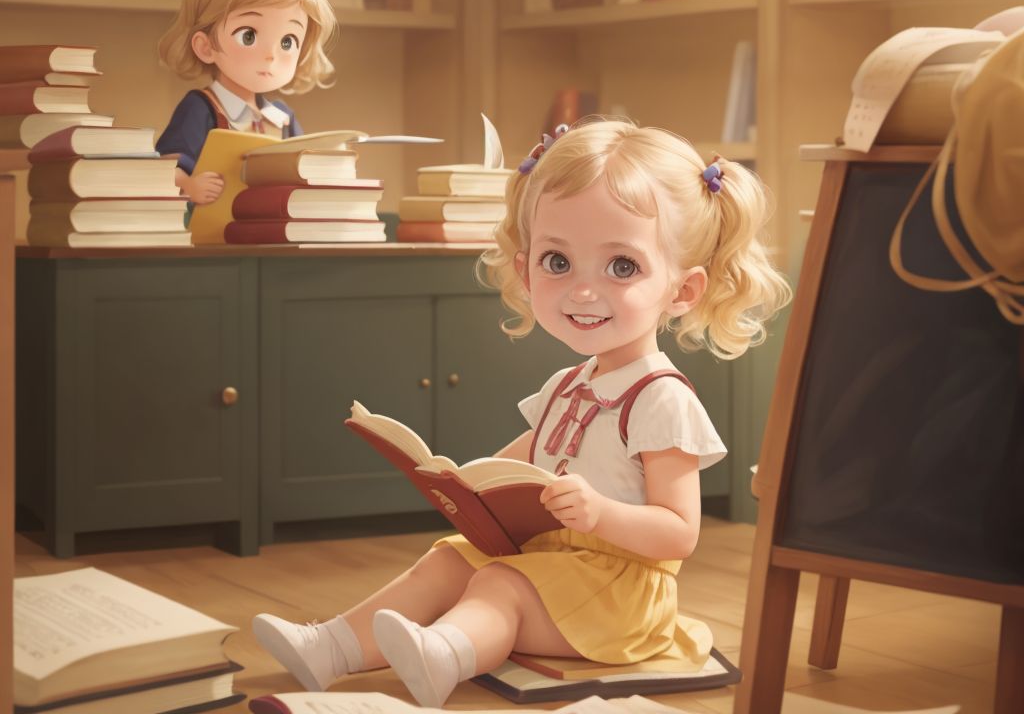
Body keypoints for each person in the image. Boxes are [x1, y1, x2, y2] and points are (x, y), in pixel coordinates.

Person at [252, 118, 791, 706]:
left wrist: (599, 513)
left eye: (621, 267)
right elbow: (529, 458)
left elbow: (679, 534)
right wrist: (464, 482)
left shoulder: (662, 397)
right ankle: (329, 647)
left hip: (619, 598)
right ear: (525, 264)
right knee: (450, 561)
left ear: (682, 291)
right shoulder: (569, 383)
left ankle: (446, 655)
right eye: (558, 263)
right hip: (555, 564)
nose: (583, 291)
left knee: (502, 582)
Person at [156, 0, 336, 205]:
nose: (271, 55)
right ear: (205, 47)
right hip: (219, 234)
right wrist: (189, 186)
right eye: (248, 36)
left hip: (276, 228)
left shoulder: (282, 118)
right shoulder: (200, 109)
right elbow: (167, 165)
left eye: (287, 41)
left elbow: (303, 167)